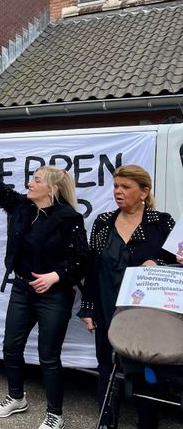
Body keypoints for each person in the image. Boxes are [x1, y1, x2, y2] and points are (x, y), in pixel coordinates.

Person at [0, 137, 88, 429]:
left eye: (36, 180)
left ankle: (55, 414)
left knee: (49, 356)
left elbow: (82, 259)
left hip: (54, 296)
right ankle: (16, 397)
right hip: (22, 289)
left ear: (52, 188)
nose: (29, 183)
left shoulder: (69, 218)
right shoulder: (21, 207)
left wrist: (56, 276)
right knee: (11, 346)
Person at [77, 165, 177, 429]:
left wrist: (158, 262)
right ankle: (106, 422)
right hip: (107, 305)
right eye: (115, 186)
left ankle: (147, 422)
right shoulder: (102, 222)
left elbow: (177, 268)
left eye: (125, 187)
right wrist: (87, 308)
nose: (118, 192)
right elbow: (92, 267)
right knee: (106, 365)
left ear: (144, 192)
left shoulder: (162, 223)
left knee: (146, 368)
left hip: (145, 312)